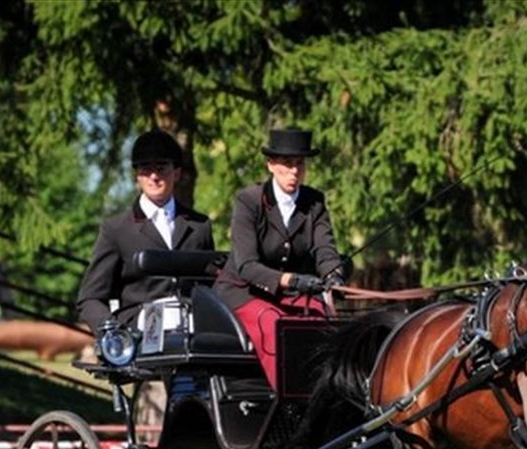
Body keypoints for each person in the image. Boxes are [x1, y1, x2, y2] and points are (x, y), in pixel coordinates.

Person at [213, 128, 349, 389]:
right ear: (271, 165)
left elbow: (325, 249)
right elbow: (247, 266)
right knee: (277, 326)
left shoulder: (314, 201)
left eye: (300, 164)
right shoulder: (249, 201)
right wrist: (292, 280)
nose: (294, 171)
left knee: (320, 318)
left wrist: (333, 277)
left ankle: (326, 396)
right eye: (287, 164)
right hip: (244, 292)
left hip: (290, 294)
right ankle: (290, 400)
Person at [77, 129, 214, 334]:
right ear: (137, 176)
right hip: (139, 331)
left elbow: (211, 286)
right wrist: (114, 334)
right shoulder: (116, 229)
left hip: (191, 328)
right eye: (145, 169)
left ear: (176, 173)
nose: (154, 177)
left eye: (161, 169)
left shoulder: (199, 225)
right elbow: (90, 298)